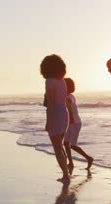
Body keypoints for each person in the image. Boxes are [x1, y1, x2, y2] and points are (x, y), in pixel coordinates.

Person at [40, 54, 70, 183]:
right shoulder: (62, 81)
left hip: (56, 114)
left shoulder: (50, 81)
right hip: (64, 113)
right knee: (60, 146)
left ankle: (66, 175)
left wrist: (48, 121)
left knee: (57, 147)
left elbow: (51, 103)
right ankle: (66, 173)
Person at [63, 78, 94, 172]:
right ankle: (71, 163)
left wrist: (71, 120)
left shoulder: (68, 97)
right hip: (71, 122)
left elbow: (69, 109)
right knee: (65, 143)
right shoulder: (70, 95)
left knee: (72, 145)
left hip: (74, 123)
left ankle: (88, 158)